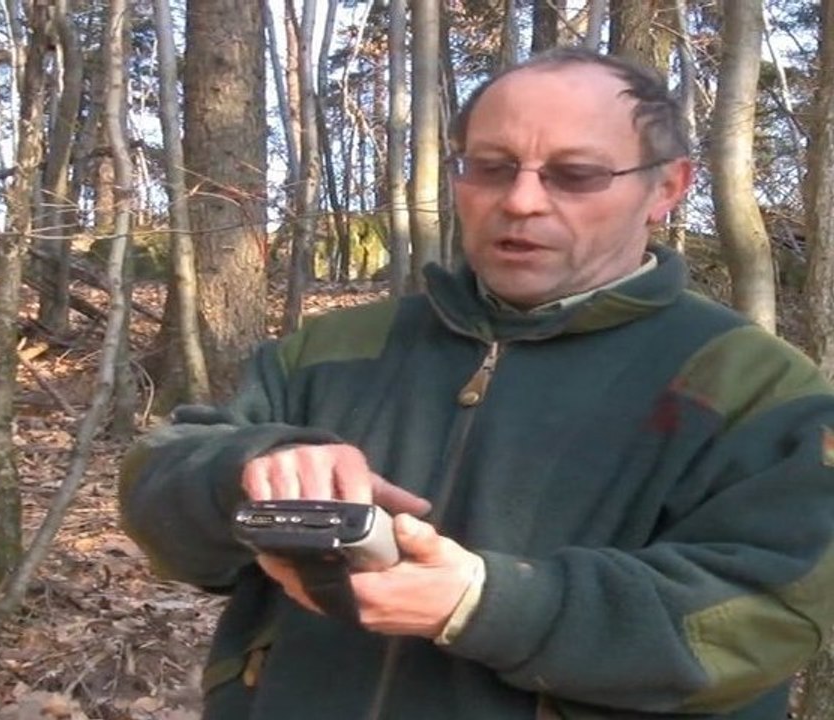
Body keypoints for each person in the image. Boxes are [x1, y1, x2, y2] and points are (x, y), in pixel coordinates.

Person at [119, 47, 834, 720]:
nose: (521, 201)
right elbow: (158, 502)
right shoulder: (336, 348)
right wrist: (243, 474)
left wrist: (487, 604)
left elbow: (772, 614)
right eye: (490, 168)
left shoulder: (753, 389)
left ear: (666, 188)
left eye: (574, 175)